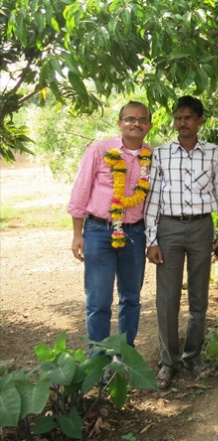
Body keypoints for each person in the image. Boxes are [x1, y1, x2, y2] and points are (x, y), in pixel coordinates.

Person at [144, 96, 218, 390]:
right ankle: (168, 363)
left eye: (189, 118)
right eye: (178, 118)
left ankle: (193, 357)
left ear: (200, 121)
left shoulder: (213, 153)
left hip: (201, 228)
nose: (183, 123)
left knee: (199, 298)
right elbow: (153, 197)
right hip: (168, 229)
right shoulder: (161, 154)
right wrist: (152, 239)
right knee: (167, 300)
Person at [68, 101, 153, 349]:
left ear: (148, 126)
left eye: (142, 120)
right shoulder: (100, 150)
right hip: (98, 232)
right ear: (120, 123)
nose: (136, 123)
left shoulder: (152, 156)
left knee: (131, 299)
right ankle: (100, 360)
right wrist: (77, 235)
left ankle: (125, 356)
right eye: (130, 119)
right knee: (98, 301)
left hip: (135, 233)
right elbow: (81, 191)